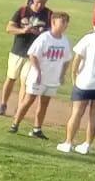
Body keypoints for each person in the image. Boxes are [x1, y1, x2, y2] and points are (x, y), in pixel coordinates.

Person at [58, 5, 95, 156]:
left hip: (85, 81)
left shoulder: (90, 38)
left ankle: (68, 142)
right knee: (94, 115)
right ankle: (87, 144)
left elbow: (77, 59)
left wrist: (74, 76)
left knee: (76, 113)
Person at [9, 11, 71, 139]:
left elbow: (66, 59)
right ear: (54, 22)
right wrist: (37, 71)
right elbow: (32, 54)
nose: (65, 25)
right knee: (29, 100)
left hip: (52, 78)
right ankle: (15, 124)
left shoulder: (64, 40)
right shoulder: (45, 38)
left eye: (66, 22)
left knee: (44, 103)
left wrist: (62, 74)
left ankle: (37, 128)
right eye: (62, 22)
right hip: (39, 76)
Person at [0, 0, 51, 115]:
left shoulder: (48, 14)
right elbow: (9, 28)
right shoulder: (22, 11)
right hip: (18, 50)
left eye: (43, 3)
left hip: (34, 54)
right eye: (37, 2)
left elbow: (52, 32)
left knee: (25, 82)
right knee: (11, 77)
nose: (39, 5)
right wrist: (22, 30)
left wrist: (43, 33)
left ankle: (19, 109)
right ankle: (3, 104)